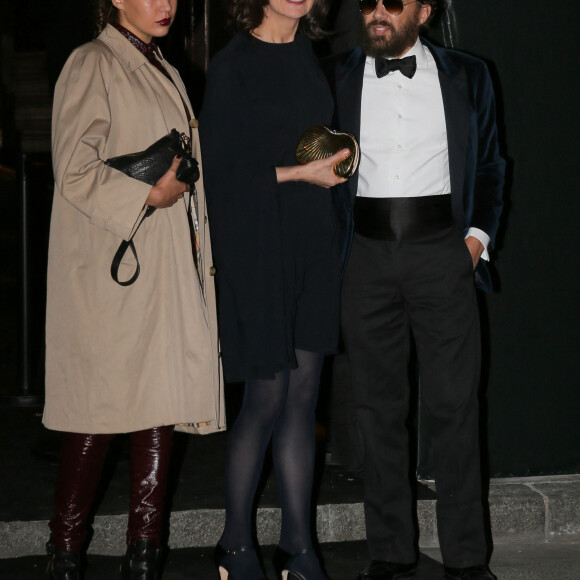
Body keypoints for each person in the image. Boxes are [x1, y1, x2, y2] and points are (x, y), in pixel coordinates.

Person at [324, 1, 505, 579]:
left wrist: (474, 242)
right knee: (377, 410)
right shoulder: (337, 75)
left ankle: (467, 558)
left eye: (394, 2)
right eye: (369, 2)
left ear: (424, 12)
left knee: (454, 406)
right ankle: (391, 551)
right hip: (366, 259)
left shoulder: (468, 74)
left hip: (441, 254)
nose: (378, 12)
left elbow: (492, 166)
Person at [43, 0, 224, 578]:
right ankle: (65, 553)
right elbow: (73, 169)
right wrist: (147, 196)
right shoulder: (91, 61)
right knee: (96, 410)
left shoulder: (161, 63)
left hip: (161, 261)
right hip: (112, 265)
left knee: (158, 403)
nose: (166, 4)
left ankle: (145, 555)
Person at [199, 1, 352, 578]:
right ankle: (235, 542)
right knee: (264, 398)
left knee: (302, 399)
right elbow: (221, 173)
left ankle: (297, 544)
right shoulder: (233, 64)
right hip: (259, 249)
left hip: (314, 244)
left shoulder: (311, 57)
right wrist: (299, 175)